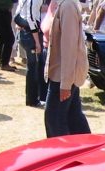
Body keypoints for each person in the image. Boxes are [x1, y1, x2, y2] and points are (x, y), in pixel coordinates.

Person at [44, 0, 91, 137]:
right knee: (74, 120)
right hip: (62, 74)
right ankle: (89, 152)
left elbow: (69, 47)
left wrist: (65, 83)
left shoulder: (68, 5)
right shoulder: (64, 3)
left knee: (55, 121)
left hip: (63, 76)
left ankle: (63, 155)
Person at [18, 0, 47, 107]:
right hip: (31, 35)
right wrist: (37, 41)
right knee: (33, 67)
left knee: (34, 66)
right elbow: (30, 18)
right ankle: (32, 99)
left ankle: (35, 97)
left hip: (27, 33)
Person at [0, 0, 17, 71]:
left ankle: (2, 63)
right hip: (2, 12)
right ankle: (4, 63)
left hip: (2, 11)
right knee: (9, 38)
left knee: (3, 38)